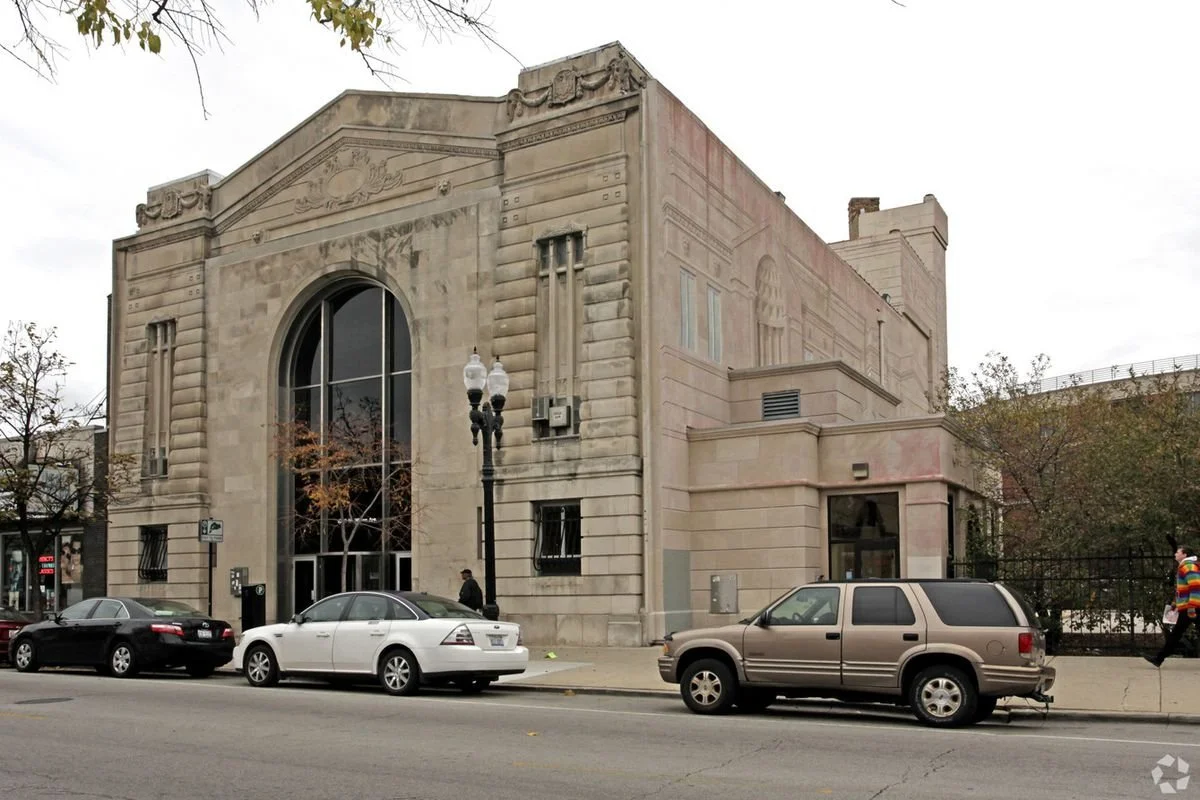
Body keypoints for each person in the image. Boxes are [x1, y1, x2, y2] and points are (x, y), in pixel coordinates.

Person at [1145, 544, 1200, 667]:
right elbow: (1184, 588)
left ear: (1184, 554)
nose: (1175, 554)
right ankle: (1159, 659)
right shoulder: (1185, 566)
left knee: (1175, 634)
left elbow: (1196, 586)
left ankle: (1159, 659)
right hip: (1188, 606)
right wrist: (1176, 603)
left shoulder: (1188, 566)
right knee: (1176, 634)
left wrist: (1192, 607)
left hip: (1191, 607)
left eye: (1177, 552)